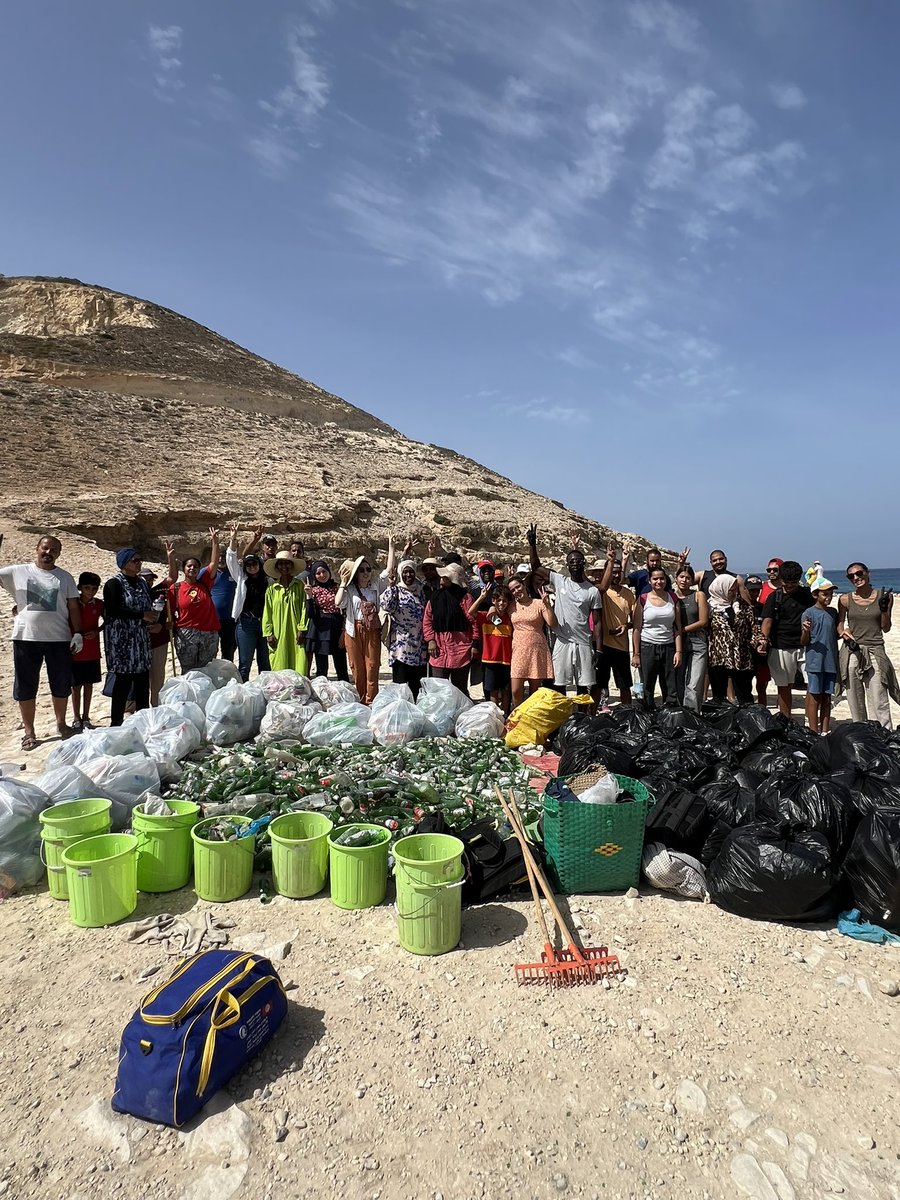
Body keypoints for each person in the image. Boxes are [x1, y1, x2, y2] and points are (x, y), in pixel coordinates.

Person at [0, 535, 81, 750]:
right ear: (37, 548)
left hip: (59, 638)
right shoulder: (18, 571)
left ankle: (61, 724)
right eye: (45, 548)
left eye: (54, 550)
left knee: (61, 684)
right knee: (26, 685)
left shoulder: (65, 578)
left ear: (59, 553)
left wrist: (78, 633)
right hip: (26, 637)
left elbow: (73, 607)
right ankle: (29, 731)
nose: (49, 553)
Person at [527, 525, 607, 695]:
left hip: (584, 642)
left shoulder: (592, 591)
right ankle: (564, 717)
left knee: (584, 686)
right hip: (562, 640)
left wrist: (599, 649)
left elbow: (598, 622)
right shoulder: (560, 580)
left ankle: (582, 718)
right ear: (567, 565)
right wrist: (532, 545)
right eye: (572, 562)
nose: (575, 564)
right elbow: (536, 567)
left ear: (584, 564)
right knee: (559, 683)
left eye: (578, 561)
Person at [837, 562, 898, 728]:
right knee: (854, 697)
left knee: (878, 696)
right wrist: (844, 632)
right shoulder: (844, 600)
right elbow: (840, 623)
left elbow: (885, 628)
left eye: (859, 573)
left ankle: (883, 733)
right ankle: (861, 732)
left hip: (875, 649)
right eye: (851, 576)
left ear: (867, 573)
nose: (856, 578)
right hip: (853, 650)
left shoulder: (884, 596)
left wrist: (884, 609)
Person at [103, 548, 154, 726]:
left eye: (140, 559)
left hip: (140, 640)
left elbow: (151, 605)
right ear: (124, 563)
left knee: (142, 683)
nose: (139, 563)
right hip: (122, 643)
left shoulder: (142, 583)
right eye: (135, 560)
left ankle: (143, 722)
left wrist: (153, 621)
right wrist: (142, 615)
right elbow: (113, 609)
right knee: (122, 685)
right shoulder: (113, 584)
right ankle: (116, 723)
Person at [759, 560, 813, 719]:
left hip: (806, 646)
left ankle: (811, 723)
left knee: (813, 685)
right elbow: (767, 621)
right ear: (781, 579)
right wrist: (763, 640)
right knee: (784, 687)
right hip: (780, 647)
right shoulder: (774, 597)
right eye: (786, 582)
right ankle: (786, 721)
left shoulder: (807, 595)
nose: (789, 585)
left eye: (793, 582)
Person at [166, 529, 221, 671]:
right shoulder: (176, 588)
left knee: (207, 670)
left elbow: (214, 563)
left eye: (195, 566)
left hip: (209, 633)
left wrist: (215, 542)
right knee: (188, 671)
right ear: (183, 569)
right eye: (189, 566)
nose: (192, 568)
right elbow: (169, 613)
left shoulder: (205, 583)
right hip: (186, 634)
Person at [631, 567, 682, 708]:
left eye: (661, 578)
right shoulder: (643, 599)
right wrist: (636, 654)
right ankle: (648, 713)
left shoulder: (673, 598)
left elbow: (677, 627)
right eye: (655, 579)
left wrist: (678, 651)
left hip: (669, 647)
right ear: (650, 581)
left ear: (666, 580)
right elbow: (636, 628)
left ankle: (669, 714)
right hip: (647, 646)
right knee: (647, 685)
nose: (658, 581)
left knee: (670, 686)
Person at [422, 562, 478, 692]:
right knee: (439, 690)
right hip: (439, 649)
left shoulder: (465, 598)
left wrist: (475, 644)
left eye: (445, 577)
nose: (441, 579)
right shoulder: (435, 597)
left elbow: (473, 622)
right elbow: (427, 621)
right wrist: (430, 640)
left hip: (461, 649)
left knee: (460, 690)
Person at [336, 555, 384, 703]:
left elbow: (388, 571)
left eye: (368, 569)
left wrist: (391, 547)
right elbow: (338, 603)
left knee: (372, 665)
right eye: (361, 570)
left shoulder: (375, 587)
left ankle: (371, 700)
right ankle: (360, 699)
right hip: (353, 628)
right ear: (356, 573)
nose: (365, 573)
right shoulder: (350, 590)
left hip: (371, 629)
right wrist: (343, 583)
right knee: (357, 666)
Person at [225, 532, 271, 682]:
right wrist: (233, 539)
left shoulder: (267, 581)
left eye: (254, 564)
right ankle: (243, 695)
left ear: (259, 564)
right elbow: (231, 558)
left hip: (264, 624)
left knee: (265, 663)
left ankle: (265, 693)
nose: (251, 567)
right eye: (248, 565)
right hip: (246, 624)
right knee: (245, 664)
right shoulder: (241, 578)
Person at [380, 558, 428, 698]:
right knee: (400, 686)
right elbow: (387, 606)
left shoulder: (420, 591)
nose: (408, 575)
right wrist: (391, 586)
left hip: (419, 646)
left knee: (416, 686)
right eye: (405, 572)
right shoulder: (396, 590)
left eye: (411, 572)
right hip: (401, 645)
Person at [508, 574, 555, 708]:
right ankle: (519, 716)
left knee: (534, 691)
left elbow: (552, 623)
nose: (516, 591)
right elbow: (497, 608)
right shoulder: (511, 606)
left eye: (518, 587)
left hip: (537, 649)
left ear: (523, 585)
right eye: (513, 590)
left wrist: (547, 605)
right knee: (516, 690)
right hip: (518, 650)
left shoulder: (539, 603)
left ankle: (531, 718)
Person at [706, 574, 755, 705]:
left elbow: (753, 627)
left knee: (745, 695)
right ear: (721, 589)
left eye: (735, 589)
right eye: (731, 590)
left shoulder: (742, 606)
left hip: (741, 657)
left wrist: (760, 642)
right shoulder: (709, 608)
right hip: (718, 658)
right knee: (719, 697)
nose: (734, 593)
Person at [595, 558, 636, 707]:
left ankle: (627, 713)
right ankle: (592, 714)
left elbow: (635, 620)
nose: (616, 576)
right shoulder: (601, 592)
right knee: (598, 685)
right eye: (613, 572)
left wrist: (627, 626)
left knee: (624, 685)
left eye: (619, 573)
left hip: (622, 647)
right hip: (603, 645)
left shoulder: (629, 595)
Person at [801, 578, 839, 733]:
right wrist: (805, 631)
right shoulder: (808, 613)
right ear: (815, 595)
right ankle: (813, 729)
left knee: (827, 697)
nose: (828, 597)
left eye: (830, 594)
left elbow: (834, 634)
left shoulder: (833, 612)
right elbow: (804, 641)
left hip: (831, 661)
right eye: (825, 594)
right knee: (815, 696)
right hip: (815, 661)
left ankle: (824, 729)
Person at [262, 550, 309, 673]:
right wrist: (268, 633)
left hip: (296, 632)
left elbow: (304, 607)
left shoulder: (299, 586)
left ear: (292, 566)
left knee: (299, 663)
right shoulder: (272, 589)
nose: (284, 566)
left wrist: (302, 629)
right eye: (281, 564)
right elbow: (267, 612)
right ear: (277, 567)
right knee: (279, 664)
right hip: (278, 633)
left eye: (287, 563)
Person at [471, 583, 513, 712]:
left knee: (506, 690)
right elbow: (471, 612)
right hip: (490, 660)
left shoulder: (510, 618)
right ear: (494, 601)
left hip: (507, 659)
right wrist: (482, 597)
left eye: (504, 601)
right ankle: (495, 714)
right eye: (498, 600)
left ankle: (505, 715)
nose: (501, 603)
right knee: (493, 690)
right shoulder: (486, 616)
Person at [305, 560, 349, 682]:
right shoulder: (313, 590)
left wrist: (343, 631)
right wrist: (309, 597)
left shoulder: (337, 587)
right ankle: (322, 693)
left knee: (341, 665)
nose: (322, 575)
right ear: (314, 575)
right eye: (318, 573)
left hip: (336, 627)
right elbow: (310, 614)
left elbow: (344, 611)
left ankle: (345, 693)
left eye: (324, 571)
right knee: (321, 668)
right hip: (320, 630)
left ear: (329, 572)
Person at [70, 571, 104, 731]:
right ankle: (76, 717)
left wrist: (98, 630)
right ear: (80, 587)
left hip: (92, 651)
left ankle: (86, 716)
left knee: (89, 685)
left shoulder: (98, 604)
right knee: (75, 686)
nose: (90, 591)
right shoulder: (71, 603)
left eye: (94, 588)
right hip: (75, 651)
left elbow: (108, 620)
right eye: (87, 587)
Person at [673, 565, 708, 711]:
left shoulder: (698, 595)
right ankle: (681, 713)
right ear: (676, 578)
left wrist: (682, 630)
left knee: (693, 684)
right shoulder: (671, 596)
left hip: (697, 642)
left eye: (688, 578)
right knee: (678, 682)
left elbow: (703, 621)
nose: (684, 580)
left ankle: (693, 717)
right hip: (677, 644)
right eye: (682, 576)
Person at [140, 566, 171, 706]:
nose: (148, 581)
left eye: (150, 578)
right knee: (140, 677)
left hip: (159, 641)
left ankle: (156, 705)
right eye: (145, 578)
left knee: (158, 677)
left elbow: (172, 577)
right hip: (139, 642)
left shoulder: (158, 592)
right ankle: (134, 707)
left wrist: (162, 626)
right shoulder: (132, 594)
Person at [200, 547, 237, 662]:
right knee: (210, 652)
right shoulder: (206, 572)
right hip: (211, 619)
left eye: (223, 556)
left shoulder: (234, 572)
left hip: (230, 620)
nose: (221, 559)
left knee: (228, 651)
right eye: (218, 556)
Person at [743, 574, 770, 706]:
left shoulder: (763, 608)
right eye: (751, 590)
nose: (754, 593)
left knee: (762, 686)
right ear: (745, 589)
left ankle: (762, 710)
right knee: (745, 687)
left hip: (762, 656)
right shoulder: (739, 608)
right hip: (745, 655)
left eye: (757, 590)